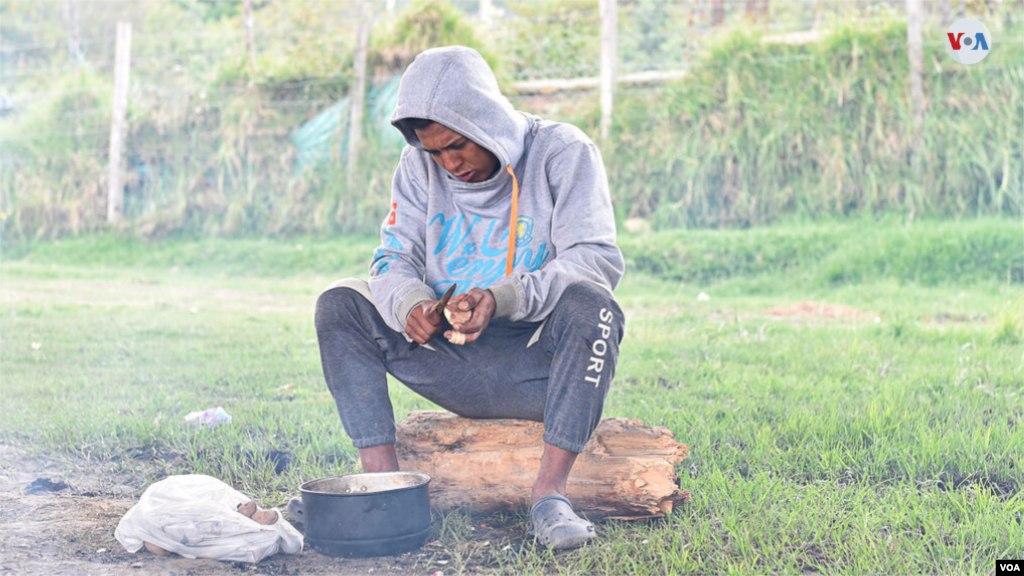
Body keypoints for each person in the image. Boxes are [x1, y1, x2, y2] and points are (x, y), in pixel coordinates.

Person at [314, 46, 624, 550]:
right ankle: (384, 489)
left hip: (534, 367)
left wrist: (502, 298)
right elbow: (392, 258)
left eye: (458, 145)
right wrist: (412, 303)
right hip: (446, 362)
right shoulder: (418, 166)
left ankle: (550, 496)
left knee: (595, 305)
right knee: (340, 303)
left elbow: (596, 259)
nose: (449, 163)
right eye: (434, 151)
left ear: (487, 121)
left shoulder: (564, 152)